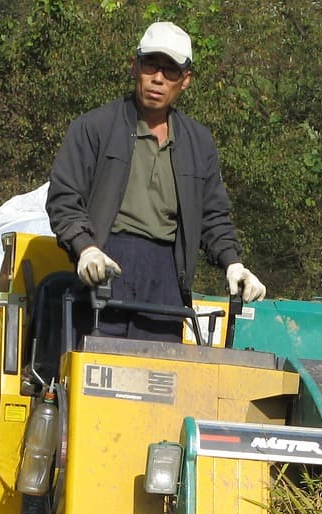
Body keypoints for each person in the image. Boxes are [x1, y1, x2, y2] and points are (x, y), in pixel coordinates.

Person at [46, 21, 266, 340]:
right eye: (152, 64)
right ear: (135, 66)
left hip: (166, 281)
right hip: (105, 269)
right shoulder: (93, 127)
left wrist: (234, 263)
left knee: (160, 379)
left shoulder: (198, 143)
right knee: (93, 380)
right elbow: (64, 201)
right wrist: (86, 249)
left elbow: (213, 217)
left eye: (170, 71)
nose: (158, 78)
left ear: (185, 80)